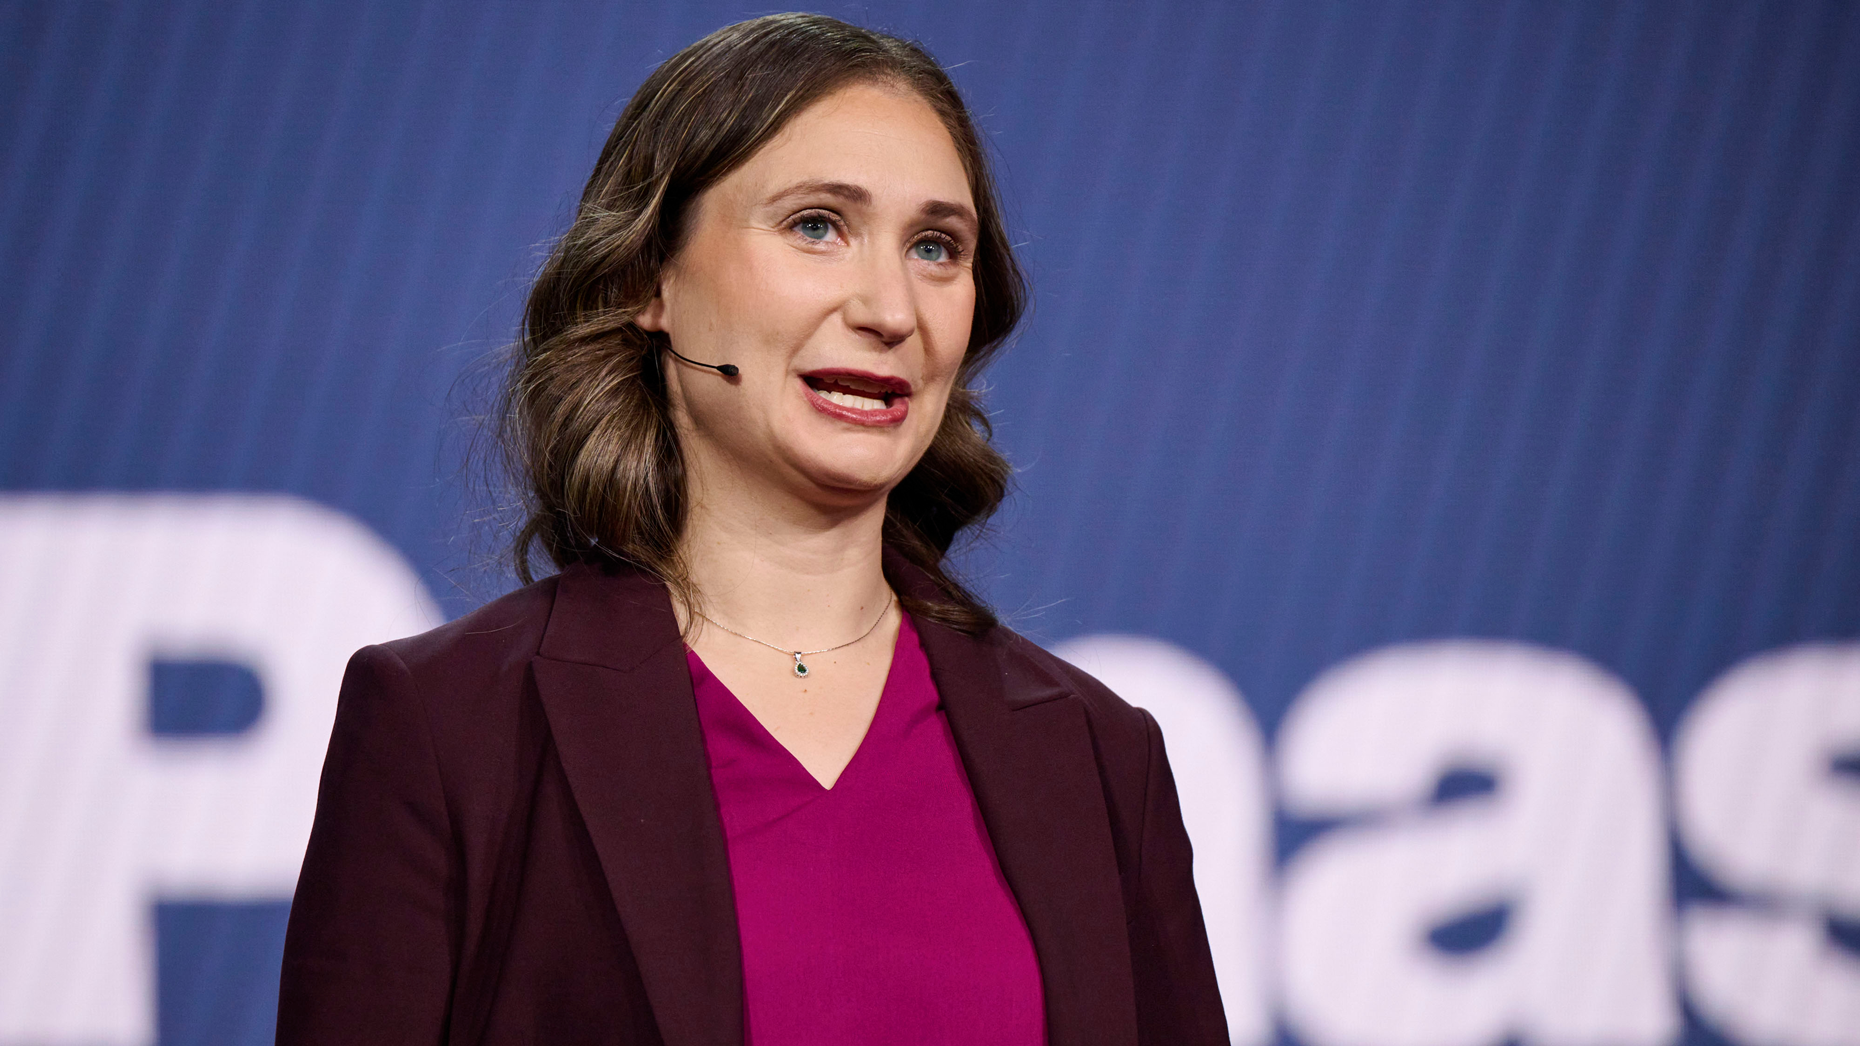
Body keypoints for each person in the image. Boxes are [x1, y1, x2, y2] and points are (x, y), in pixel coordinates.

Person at [277, 13, 1226, 1046]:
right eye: (818, 224)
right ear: (651, 278)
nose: (890, 307)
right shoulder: (448, 725)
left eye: (936, 247)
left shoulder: (1097, 754)